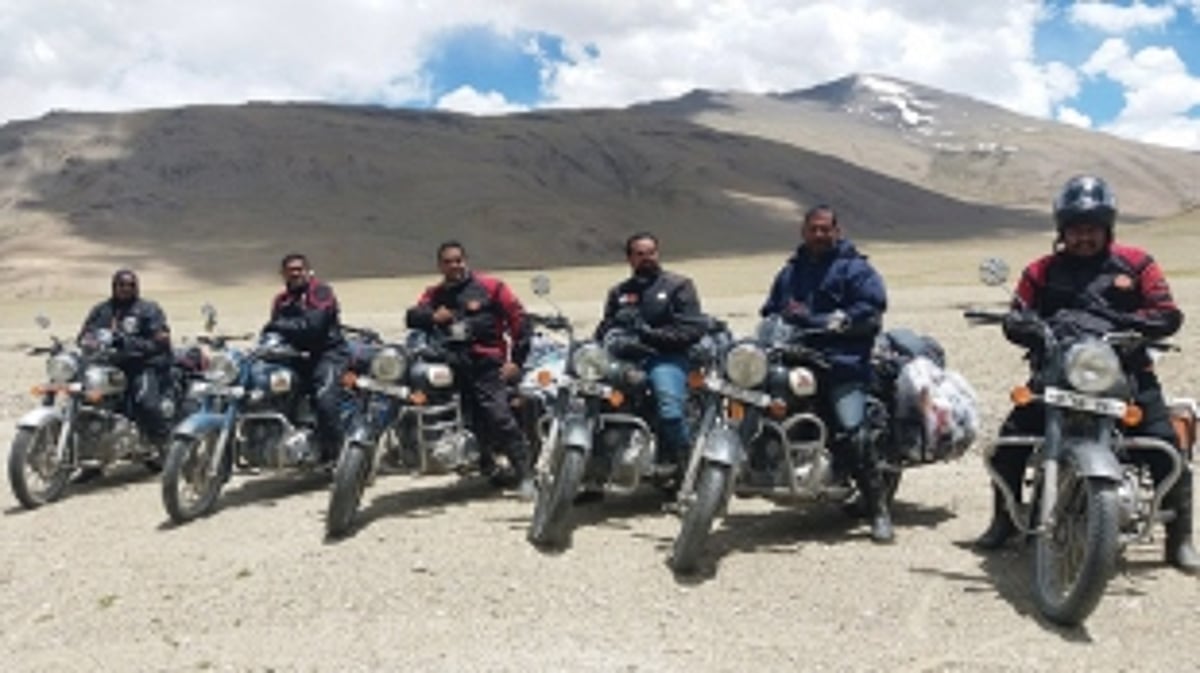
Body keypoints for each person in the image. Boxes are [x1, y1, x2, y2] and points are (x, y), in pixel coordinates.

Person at [976, 175, 1199, 572]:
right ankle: (1004, 521)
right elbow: (1018, 313)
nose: (1084, 237)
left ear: (1107, 228)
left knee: (1165, 446)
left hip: (1126, 371)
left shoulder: (1138, 263)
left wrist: (1128, 321)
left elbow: (1166, 312)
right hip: (1057, 370)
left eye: (1092, 228)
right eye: (1076, 229)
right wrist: (1026, 325)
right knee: (1010, 441)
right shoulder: (1040, 270)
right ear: (1062, 230)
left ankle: (1179, 537)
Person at [760, 205, 892, 542]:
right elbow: (772, 310)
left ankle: (877, 508)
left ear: (837, 231)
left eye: (825, 229)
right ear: (803, 232)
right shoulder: (791, 272)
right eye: (813, 229)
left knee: (852, 431)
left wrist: (837, 320)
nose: (819, 235)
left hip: (841, 361)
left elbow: (872, 306)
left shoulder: (855, 269)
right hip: (794, 358)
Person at [405, 241, 534, 498]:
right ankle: (480, 461)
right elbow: (411, 316)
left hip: (485, 361)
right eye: (448, 261)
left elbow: (519, 320)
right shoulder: (435, 294)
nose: (454, 265)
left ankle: (526, 474)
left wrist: (516, 362)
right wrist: (431, 317)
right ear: (440, 265)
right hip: (450, 363)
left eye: (458, 260)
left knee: (498, 414)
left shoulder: (491, 287)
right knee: (454, 411)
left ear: (465, 261)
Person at [594, 233, 708, 473]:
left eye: (651, 253)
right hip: (625, 360)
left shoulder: (678, 286)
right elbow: (605, 328)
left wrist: (648, 334)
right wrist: (610, 328)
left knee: (669, 410)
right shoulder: (620, 293)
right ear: (630, 258)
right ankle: (593, 469)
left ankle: (685, 463)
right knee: (592, 398)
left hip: (665, 357)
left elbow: (692, 328)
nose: (647, 258)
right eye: (640, 254)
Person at [75, 269, 173, 480]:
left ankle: (164, 446)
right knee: (87, 402)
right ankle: (91, 462)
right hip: (106, 366)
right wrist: (88, 341)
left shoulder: (148, 310)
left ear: (136, 287)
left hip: (140, 365)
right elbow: (84, 334)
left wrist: (127, 343)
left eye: (130, 285)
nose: (125, 289)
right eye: (121, 285)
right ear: (114, 286)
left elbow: (161, 340)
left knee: (146, 402)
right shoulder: (101, 310)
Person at [262, 253, 347, 464]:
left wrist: (277, 326)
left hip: (327, 354)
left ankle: (339, 455)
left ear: (308, 271)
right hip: (294, 357)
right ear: (282, 274)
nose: (295, 273)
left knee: (325, 400)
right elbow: (275, 331)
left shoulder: (320, 292)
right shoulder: (281, 300)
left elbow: (314, 327)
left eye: (299, 269)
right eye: (290, 270)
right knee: (264, 389)